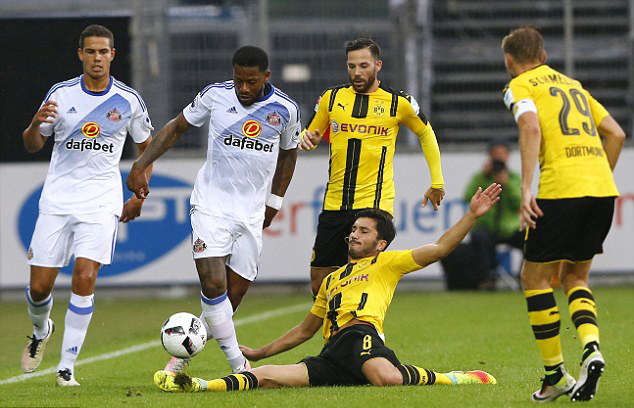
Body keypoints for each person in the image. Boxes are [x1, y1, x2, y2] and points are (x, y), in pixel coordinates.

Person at [153, 183, 502, 393]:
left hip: (361, 336)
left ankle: (454, 379)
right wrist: (259, 353)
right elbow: (305, 330)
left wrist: (472, 215)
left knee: (387, 380)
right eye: (354, 229)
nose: (353, 234)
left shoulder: (387, 263)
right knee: (265, 377)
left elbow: (439, 249)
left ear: (380, 243)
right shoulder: (332, 280)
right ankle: (196, 385)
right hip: (332, 352)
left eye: (364, 231)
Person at [126, 46, 301, 375]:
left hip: (250, 212)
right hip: (211, 204)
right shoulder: (215, 96)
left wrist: (275, 201)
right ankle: (239, 365)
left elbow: (289, 153)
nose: (244, 88)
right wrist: (141, 164)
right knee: (213, 283)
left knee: (233, 294)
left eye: (251, 82)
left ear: (266, 77)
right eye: (238, 80)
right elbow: (176, 127)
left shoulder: (286, 109)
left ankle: (184, 352)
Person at [20, 24, 154, 386]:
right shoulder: (61, 94)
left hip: (100, 202)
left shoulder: (128, 100)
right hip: (58, 200)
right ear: (81, 54)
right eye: (91, 51)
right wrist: (34, 125)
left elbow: (147, 148)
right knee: (39, 289)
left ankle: (67, 367)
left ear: (113, 55)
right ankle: (41, 329)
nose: (97, 58)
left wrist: (139, 195)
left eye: (103, 52)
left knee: (84, 276)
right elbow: (33, 144)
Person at [501, 25, 625, 402]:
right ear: (543, 56)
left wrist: (525, 188)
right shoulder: (574, 86)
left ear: (509, 60)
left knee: (535, 278)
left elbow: (530, 126)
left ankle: (555, 374)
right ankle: (591, 348)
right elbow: (616, 134)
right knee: (575, 276)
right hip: (602, 189)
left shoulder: (520, 85)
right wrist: (598, 176)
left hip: (560, 190)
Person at [299, 38, 446, 297]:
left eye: (363, 66)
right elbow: (311, 135)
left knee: (358, 277)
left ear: (378, 65)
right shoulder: (331, 98)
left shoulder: (398, 102)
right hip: (334, 203)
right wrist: (305, 139)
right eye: (351, 66)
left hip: (374, 204)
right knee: (320, 283)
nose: (357, 72)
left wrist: (437, 182)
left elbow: (426, 133)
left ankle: (361, 323)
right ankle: (336, 324)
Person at [462, 139, 523, 289]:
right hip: (487, 228)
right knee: (478, 238)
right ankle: (486, 279)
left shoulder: (514, 178)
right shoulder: (481, 177)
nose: (499, 158)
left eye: (502, 154)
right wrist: (484, 177)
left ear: (508, 156)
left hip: (510, 229)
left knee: (532, 238)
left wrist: (507, 185)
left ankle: (524, 276)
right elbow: (468, 196)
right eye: (496, 154)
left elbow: (520, 203)